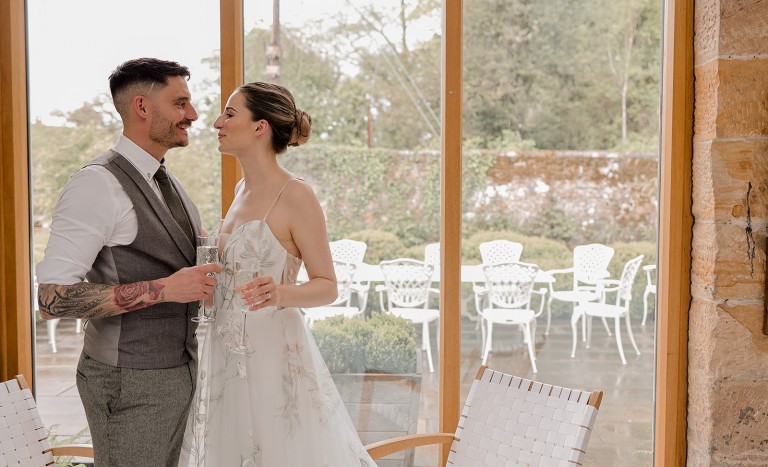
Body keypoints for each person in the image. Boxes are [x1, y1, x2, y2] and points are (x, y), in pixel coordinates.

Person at [178, 82, 378, 466]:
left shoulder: (296, 195)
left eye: (230, 114)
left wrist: (281, 293)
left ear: (260, 127)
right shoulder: (240, 189)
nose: (218, 122)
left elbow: (327, 286)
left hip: (273, 357)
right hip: (224, 356)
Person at [36, 57, 220, 467]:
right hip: (128, 383)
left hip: (178, 373)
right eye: (180, 103)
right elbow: (51, 300)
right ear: (142, 107)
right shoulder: (95, 184)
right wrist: (166, 290)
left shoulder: (166, 180)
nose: (192, 115)